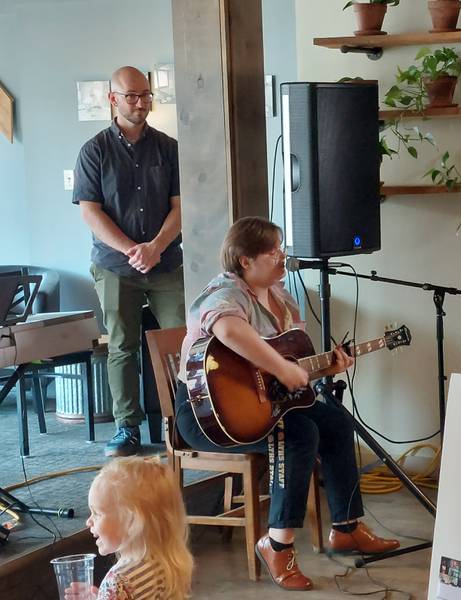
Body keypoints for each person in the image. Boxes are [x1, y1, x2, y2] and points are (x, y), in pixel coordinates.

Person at [175, 217, 399, 591]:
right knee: (298, 433)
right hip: (207, 416)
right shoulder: (225, 292)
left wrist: (327, 364)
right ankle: (277, 544)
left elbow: (286, 372)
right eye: (273, 251)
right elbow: (228, 330)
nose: (282, 257)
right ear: (245, 260)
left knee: (336, 422)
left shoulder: (282, 298)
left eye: (281, 248)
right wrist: (279, 366)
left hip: (263, 406)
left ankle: (345, 527)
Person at [73, 66, 185, 457]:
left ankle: (183, 421)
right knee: (122, 346)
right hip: (115, 265)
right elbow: (90, 212)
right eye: (132, 96)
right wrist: (131, 250)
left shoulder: (168, 148)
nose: (140, 103)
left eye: (145, 95)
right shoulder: (94, 151)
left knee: (182, 340)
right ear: (113, 99)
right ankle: (127, 429)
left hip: (166, 261)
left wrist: (154, 246)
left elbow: (180, 207)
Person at [65, 457, 193, 600]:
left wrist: (108, 594)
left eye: (97, 513)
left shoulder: (118, 581)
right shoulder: (166, 562)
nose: (88, 521)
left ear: (131, 522)